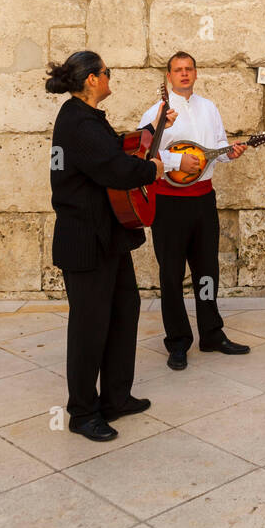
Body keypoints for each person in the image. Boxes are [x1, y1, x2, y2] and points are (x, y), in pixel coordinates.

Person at [47, 50, 164, 442]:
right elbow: (114, 167)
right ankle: (82, 412)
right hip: (85, 239)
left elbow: (114, 148)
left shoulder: (86, 118)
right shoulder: (78, 122)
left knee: (124, 310)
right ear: (93, 79)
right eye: (107, 73)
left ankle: (116, 397)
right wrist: (154, 169)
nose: (110, 77)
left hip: (109, 235)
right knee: (89, 326)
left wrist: (150, 130)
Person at [138, 51, 249, 370]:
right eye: (178, 70)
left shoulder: (209, 108)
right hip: (169, 202)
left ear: (196, 74)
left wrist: (232, 153)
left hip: (203, 200)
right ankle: (177, 342)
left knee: (207, 271)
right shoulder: (157, 112)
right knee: (171, 274)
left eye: (189, 69)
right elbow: (143, 152)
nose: (184, 74)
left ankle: (212, 334)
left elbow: (215, 150)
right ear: (169, 76)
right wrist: (175, 162)